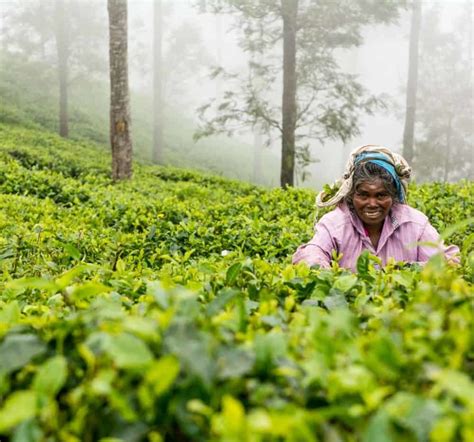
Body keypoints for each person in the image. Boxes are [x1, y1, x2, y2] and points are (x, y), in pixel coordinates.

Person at [293, 145, 460, 270]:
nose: (372, 204)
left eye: (381, 195)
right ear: (351, 194)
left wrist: (404, 270)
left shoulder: (415, 225)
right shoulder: (334, 224)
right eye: (363, 195)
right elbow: (310, 256)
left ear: (393, 196)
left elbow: (449, 261)